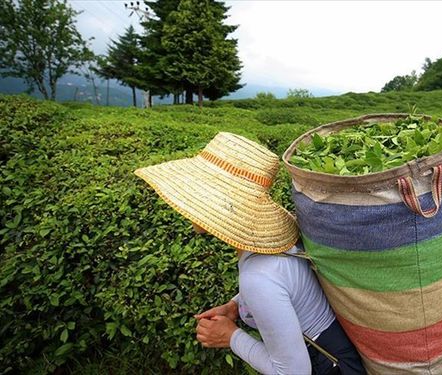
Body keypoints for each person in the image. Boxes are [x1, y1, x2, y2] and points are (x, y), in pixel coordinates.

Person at [134, 132, 365, 375]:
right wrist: (235, 306)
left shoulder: (258, 277)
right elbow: (284, 287)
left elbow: (292, 372)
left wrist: (230, 337)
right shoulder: (270, 250)